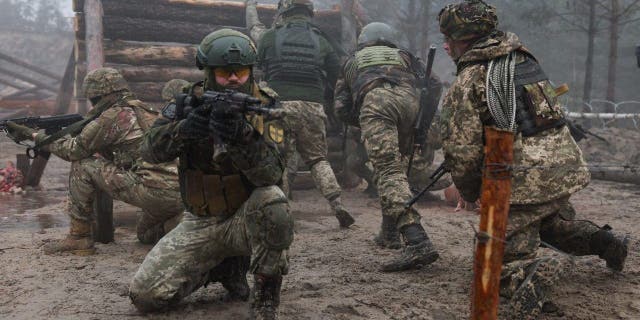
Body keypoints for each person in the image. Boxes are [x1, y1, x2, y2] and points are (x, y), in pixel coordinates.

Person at [437, 1, 630, 317]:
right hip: (563, 169)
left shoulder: (470, 79)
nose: (445, 45)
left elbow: (462, 153)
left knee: (490, 266)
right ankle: (605, 242)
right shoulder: (523, 60)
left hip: (523, 183)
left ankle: (539, 268)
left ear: (465, 39)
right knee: (550, 225)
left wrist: (471, 193)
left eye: (449, 37)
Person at [128, 29, 293, 320]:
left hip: (246, 218)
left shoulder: (266, 106)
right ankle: (219, 267)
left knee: (274, 201)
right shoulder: (187, 102)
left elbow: (270, 174)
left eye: (240, 72)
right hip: (200, 220)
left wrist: (242, 136)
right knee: (145, 296)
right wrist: (184, 131)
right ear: (207, 72)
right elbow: (149, 152)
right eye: (224, 72)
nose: (233, 79)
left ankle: (265, 299)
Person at [6, 68, 183, 253]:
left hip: (153, 191)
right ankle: (178, 222)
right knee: (145, 234)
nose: (93, 105)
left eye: (94, 100)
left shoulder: (113, 115)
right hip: (179, 193)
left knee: (83, 164)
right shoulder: (146, 109)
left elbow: (73, 151)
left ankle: (79, 237)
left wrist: (33, 135)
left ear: (103, 96)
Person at [334, 22, 443, 269]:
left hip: (377, 104)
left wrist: (364, 119)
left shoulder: (352, 60)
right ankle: (389, 233)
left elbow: (340, 108)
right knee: (397, 170)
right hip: (411, 104)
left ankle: (417, 240)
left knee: (387, 171)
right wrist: (422, 125)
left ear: (364, 40)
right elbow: (434, 84)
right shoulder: (405, 56)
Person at [246, 0, 355, 228]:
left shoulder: (269, 37)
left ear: (284, 11)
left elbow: (256, 65)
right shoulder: (322, 40)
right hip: (312, 106)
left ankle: (283, 209)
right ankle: (337, 205)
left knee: (281, 160)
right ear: (309, 13)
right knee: (318, 159)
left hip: (278, 105)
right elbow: (335, 72)